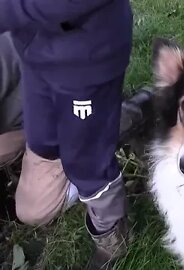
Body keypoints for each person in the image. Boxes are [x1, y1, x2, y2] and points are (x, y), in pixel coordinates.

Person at [0, 1, 139, 268]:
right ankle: (110, 122)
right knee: (42, 140)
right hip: (36, 52)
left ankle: (112, 236)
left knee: (87, 163)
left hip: (86, 61)